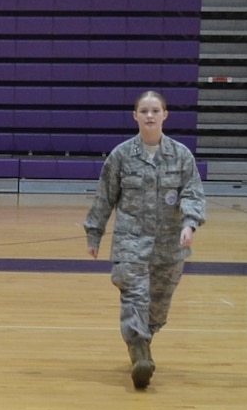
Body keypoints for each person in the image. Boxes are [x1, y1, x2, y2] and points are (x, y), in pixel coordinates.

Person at [85, 89, 206, 389]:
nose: (149, 116)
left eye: (155, 111)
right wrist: (94, 232)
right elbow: (105, 197)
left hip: (169, 247)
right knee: (134, 296)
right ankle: (140, 353)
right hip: (131, 243)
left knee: (157, 309)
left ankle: (144, 342)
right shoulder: (121, 156)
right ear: (135, 116)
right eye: (144, 111)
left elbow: (192, 193)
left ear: (165, 115)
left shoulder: (181, 156)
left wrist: (189, 225)